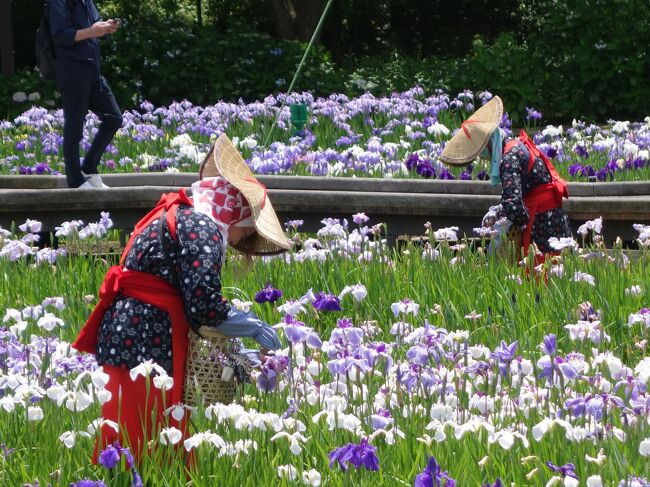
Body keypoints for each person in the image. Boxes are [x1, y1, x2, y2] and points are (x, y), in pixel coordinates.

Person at [72, 134, 290, 461]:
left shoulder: (183, 213)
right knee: (152, 437)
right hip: (148, 338)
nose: (239, 240)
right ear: (234, 212)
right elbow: (204, 307)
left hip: (125, 333)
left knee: (125, 430)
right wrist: (250, 327)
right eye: (245, 231)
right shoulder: (203, 229)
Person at [438, 96, 571, 264]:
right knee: (558, 275)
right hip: (555, 219)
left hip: (541, 225)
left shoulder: (509, 159)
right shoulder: (518, 144)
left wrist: (499, 222)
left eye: (482, 153)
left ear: (488, 146)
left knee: (542, 279)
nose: (484, 158)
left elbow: (513, 205)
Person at [48, 0, 123, 189]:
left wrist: (106, 28)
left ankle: (89, 168)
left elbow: (95, 25)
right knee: (74, 126)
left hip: (93, 71)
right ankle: (75, 180)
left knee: (114, 118)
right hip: (73, 71)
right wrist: (92, 31)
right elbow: (60, 35)